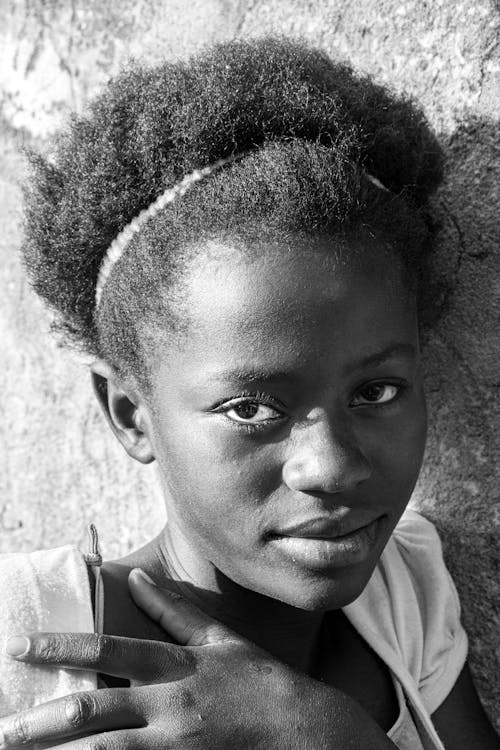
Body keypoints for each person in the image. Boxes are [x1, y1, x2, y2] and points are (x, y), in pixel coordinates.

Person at [0, 36, 498, 749]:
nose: (330, 468)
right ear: (130, 415)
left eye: (378, 390)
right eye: (251, 408)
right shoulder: (26, 635)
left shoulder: (405, 593)